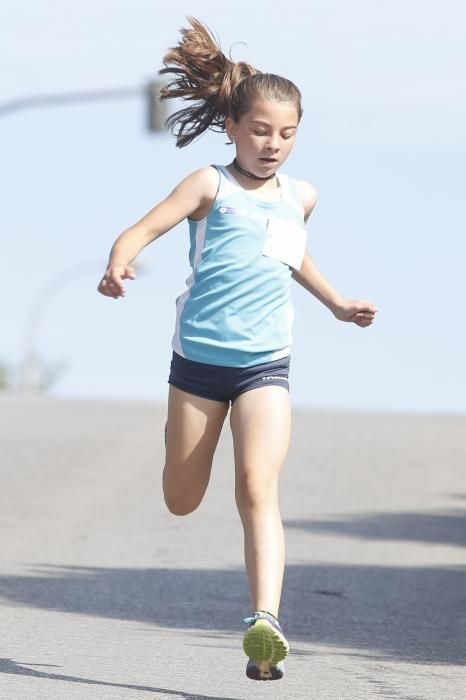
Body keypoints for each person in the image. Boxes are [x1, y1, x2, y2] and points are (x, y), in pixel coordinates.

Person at [97, 16, 378, 681]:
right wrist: (118, 265)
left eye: (286, 134)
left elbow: (289, 256)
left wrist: (337, 302)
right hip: (197, 367)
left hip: (264, 366)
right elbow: (139, 230)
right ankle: (177, 453)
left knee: (258, 487)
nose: (272, 145)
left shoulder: (299, 197)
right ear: (231, 127)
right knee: (182, 498)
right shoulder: (209, 186)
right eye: (259, 131)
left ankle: (266, 624)